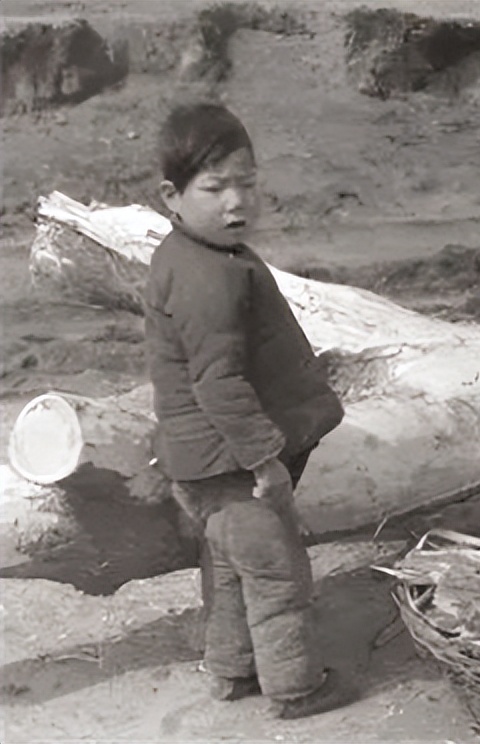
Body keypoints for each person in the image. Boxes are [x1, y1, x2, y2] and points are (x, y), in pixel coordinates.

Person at [143, 102, 350, 719]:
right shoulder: (208, 277)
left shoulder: (200, 254)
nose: (236, 202)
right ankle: (296, 687)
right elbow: (217, 383)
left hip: (206, 464)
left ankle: (232, 669)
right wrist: (265, 459)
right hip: (232, 467)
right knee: (277, 574)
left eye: (248, 184)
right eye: (215, 188)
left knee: (233, 568)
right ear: (171, 197)